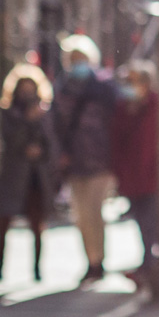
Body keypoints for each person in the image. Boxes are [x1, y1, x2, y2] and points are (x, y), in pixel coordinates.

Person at [52, 33, 121, 285]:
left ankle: (98, 261)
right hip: (73, 162)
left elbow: (117, 121)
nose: (77, 63)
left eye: (81, 58)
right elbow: (56, 124)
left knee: (95, 211)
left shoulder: (104, 86)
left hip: (101, 161)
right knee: (80, 215)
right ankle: (89, 261)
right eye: (73, 58)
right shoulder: (62, 88)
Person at [0, 61, 59, 283]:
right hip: (13, 173)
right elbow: (8, 139)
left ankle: (37, 269)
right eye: (23, 88)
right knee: (3, 221)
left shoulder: (44, 113)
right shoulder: (8, 112)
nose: (27, 93)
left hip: (35, 177)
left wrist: (39, 149)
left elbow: (51, 144)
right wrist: (25, 125)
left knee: (37, 223)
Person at [111, 59, 159, 285]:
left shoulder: (155, 105)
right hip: (132, 177)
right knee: (141, 221)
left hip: (151, 176)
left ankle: (149, 265)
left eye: (133, 81)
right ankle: (147, 263)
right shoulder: (124, 108)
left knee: (150, 221)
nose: (129, 85)